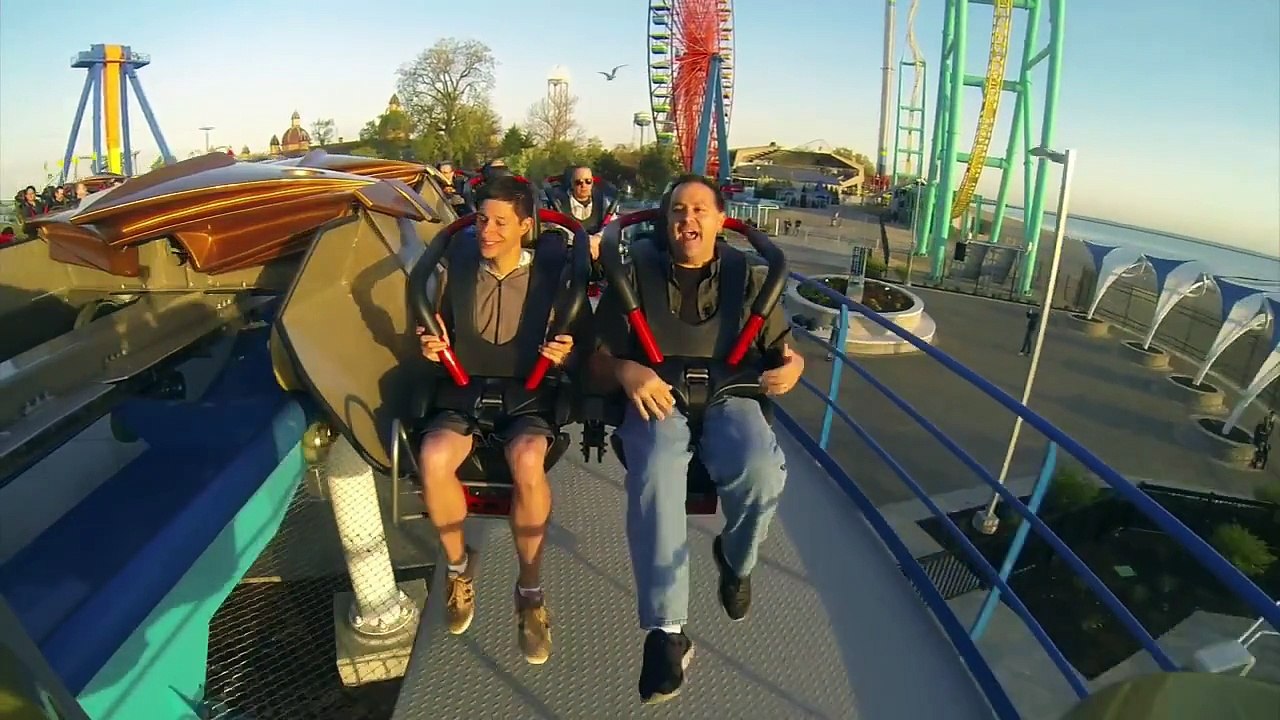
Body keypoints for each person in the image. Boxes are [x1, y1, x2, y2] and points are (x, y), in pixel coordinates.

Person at [589, 174, 805, 704]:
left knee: (760, 469)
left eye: (700, 210)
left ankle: (736, 561)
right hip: (658, 394)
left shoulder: (749, 280)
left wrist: (793, 367)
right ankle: (666, 631)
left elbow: (784, 350)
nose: (689, 220)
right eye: (678, 211)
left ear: (719, 220)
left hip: (732, 393)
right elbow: (594, 360)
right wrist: (625, 371)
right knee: (658, 468)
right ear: (666, 223)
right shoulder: (634, 277)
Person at [414, 175, 588, 665]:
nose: (486, 230)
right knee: (432, 458)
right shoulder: (457, 266)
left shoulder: (553, 275)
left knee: (528, 461)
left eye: (499, 223)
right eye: (481, 220)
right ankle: (457, 567)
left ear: (525, 227)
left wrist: (565, 354)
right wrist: (429, 346)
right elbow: (434, 326)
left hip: (528, 393)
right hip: (464, 387)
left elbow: (583, 349)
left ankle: (529, 592)